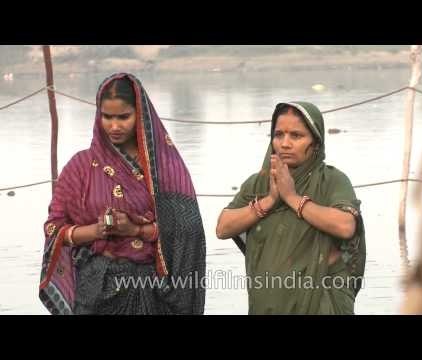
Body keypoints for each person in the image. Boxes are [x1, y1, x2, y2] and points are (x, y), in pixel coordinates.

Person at [39, 73, 206, 315]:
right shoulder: (80, 167)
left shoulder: (164, 168)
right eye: (107, 117)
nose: (114, 126)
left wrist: (136, 230)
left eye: (124, 117)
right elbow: (54, 229)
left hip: (152, 290)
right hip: (96, 289)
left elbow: (187, 231)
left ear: (140, 114)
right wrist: (95, 231)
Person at [216, 101, 366, 315]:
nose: (285, 143)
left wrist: (292, 197)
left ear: (315, 141)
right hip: (265, 305)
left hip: (321, 306)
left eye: (296, 136)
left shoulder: (332, 181)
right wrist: (269, 201)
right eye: (278, 135)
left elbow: (345, 226)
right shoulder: (259, 183)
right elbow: (223, 228)